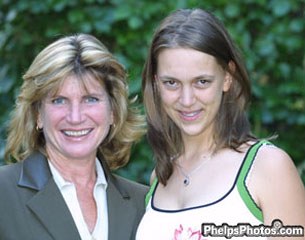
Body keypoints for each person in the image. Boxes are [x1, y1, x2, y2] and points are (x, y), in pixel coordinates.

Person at [136, 8, 305, 240]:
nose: (186, 100)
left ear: (227, 77)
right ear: (156, 83)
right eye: (171, 83)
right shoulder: (160, 177)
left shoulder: (267, 167)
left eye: (202, 82)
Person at [0, 33, 148, 240]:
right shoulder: (3, 194)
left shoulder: (143, 203)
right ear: (38, 114)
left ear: (113, 111)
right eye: (59, 101)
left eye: (90, 99)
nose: (75, 117)